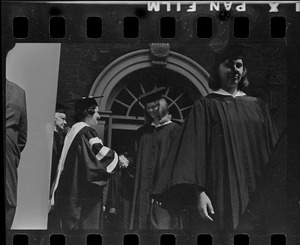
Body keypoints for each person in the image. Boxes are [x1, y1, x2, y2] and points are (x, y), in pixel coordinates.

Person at [155, 44, 279, 231]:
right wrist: (199, 193)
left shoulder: (258, 106)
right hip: (220, 192)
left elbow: (273, 153)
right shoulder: (205, 106)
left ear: (244, 70)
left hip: (257, 191)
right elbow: (191, 154)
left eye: (238, 65)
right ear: (217, 70)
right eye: (228, 65)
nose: (234, 70)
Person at [49, 96, 128, 230]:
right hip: (83, 194)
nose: (98, 116)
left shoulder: (73, 131)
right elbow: (100, 156)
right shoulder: (86, 132)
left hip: (70, 191)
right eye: (96, 111)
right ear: (87, 112)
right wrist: (117, 158)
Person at [129, 87, 182, 230]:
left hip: (164, 193)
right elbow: (134, 158)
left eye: (154, 107)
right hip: (143, 192)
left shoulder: (175, 130)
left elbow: (176, 164)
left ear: (163, 106)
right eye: (148, 108)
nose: (151, 110)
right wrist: (127, 161)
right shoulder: (142, 132)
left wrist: (165, 190)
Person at [5, 79, 28, 229]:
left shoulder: (19, 92)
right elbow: (22, 136)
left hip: (9, 148)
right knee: (9, 200)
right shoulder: (18, 92)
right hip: (8, 147)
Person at [47, 102, 69, 230]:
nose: (65, 122)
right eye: (62, 118)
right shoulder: (48, 137)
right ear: (53, 117)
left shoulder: (59, 138)